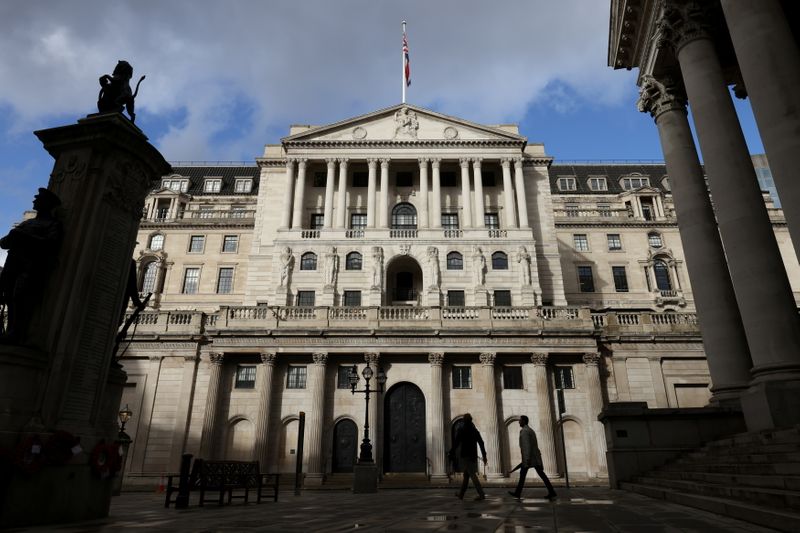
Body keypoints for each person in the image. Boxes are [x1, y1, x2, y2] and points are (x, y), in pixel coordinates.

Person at [0, 188, 62, 343]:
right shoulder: (28, 222)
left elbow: (51, 244)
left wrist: (24, 236)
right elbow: (4, 243)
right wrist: (14, 236)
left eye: (38, 199)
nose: (34, 201)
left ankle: (17, 332)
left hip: (30, 267)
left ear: (47, 204)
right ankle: (10, 332)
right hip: (11, 267)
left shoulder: (52, 224)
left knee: (19, 297)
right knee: (8, 297)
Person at [508, 415, 557, 500]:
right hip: (534, 458)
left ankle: (517, 493)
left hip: (530, 459)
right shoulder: (530, 430)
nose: (518, 422)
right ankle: (552, 492)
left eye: (520, 420)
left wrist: (526, 459)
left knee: (523, 475)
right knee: (541, 475)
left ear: (524, 421)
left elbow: (527, 446)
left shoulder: (524, 431)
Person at [449, 413, 488, 501]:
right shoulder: (474, 430)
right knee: (466, 475)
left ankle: (481, 494)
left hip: (466, 455)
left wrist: (451, 452)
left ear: (464, 420)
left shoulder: (461, 429)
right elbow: (481, 443)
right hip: (473, 455)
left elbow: (456, 443)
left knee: (472, 475)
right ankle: (461, 494)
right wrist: (484, 455)